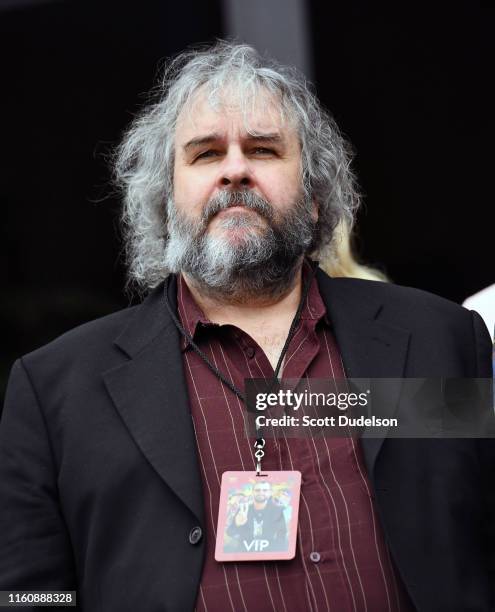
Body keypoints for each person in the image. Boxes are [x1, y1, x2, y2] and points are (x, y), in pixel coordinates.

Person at [0, 41, 493, 612]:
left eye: (263, 149)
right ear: (165, 201)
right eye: (206, 154)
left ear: (313, 198)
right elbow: (28, 594)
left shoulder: (438, 341)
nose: (235, 169)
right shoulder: (58, 391)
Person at [226, 482, 288, 552]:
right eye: (257, 490)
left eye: (265, 490)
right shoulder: (243, 509)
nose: (261, 492)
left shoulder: (278, 511)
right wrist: (237, 524)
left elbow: (282, 534)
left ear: (270, 493)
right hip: (244, 553)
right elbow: (230, 532)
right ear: (253, 492)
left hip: (269, 553)